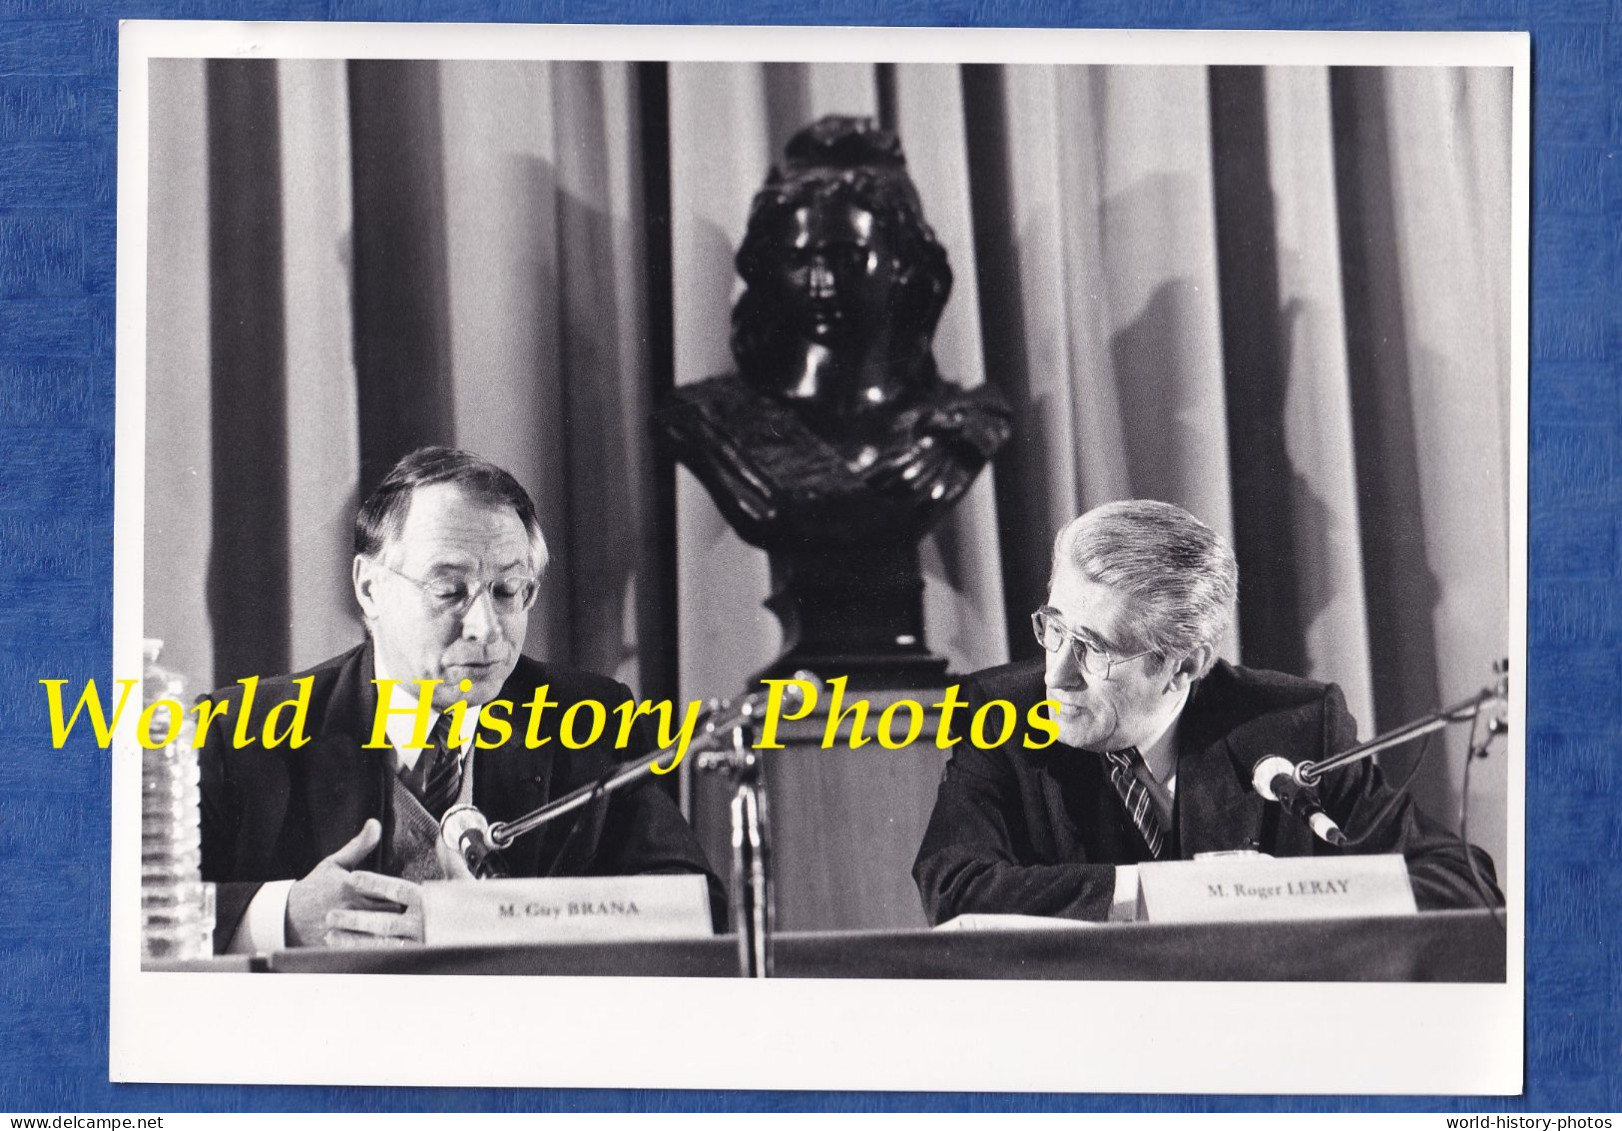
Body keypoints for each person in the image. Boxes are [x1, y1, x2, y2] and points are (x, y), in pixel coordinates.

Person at [200, 447, 722, 952]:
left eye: (508, 590)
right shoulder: (237, 729)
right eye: (449, 592)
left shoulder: (591, 717)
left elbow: (694, 906)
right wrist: (282, 916)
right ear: (368, 588)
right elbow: (135, 910)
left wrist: (494, 922)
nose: (485, 627)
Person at [913, 499, 1503, 924]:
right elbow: (954, 886)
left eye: (1093, 649)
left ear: (1186, 665)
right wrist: (1172, 893)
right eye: (1054, 630)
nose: (1056, 673)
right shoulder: (1001, 713)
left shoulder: (1292, 725)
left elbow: (1458, 881)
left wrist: (1291, 897)